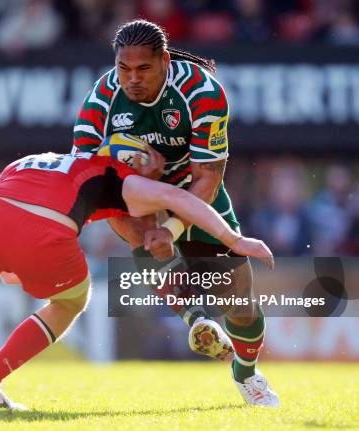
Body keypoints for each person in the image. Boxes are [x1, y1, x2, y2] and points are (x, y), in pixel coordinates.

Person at [0, 147, 273, 411]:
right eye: (149, 157)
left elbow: (8, 199)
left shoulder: (40, 158)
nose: (152, 163)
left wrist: (6, 259)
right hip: (41, 232)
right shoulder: (120, 177)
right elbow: (181, 199)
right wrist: (234, 238)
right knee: (73, 302)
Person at [72, 19, 279, 406]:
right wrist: (146, 212)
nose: (132, 79)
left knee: (241, 304)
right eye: (123, 69)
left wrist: (173, 225)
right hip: (133, 193)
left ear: (164, 61)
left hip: (195, 191)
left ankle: (245, 373)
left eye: (143, 68)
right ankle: (195, 317)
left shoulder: (202, 92)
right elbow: (85, 179)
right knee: (134, 228)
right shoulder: (100, 101)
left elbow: (209, 178)